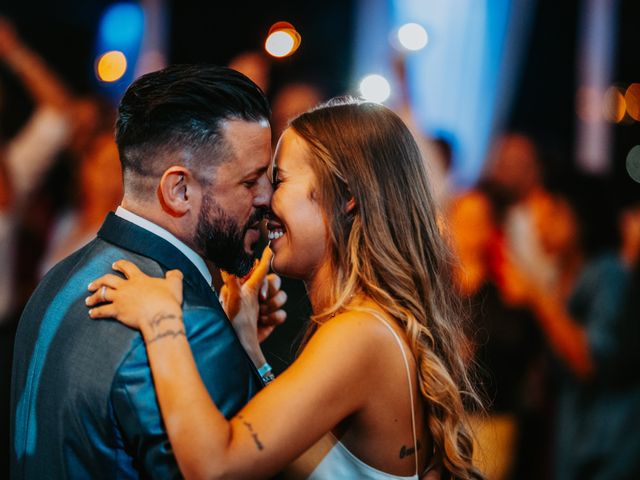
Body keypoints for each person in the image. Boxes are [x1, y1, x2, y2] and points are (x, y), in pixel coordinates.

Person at [87, 98, 484, 479]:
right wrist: (249, 347)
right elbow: (298, 450)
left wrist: (161, 323)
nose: (263, 200)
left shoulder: (360, 334)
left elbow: (216, 466)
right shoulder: (367, 326)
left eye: (278, 180)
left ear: (345, 196)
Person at [10, 64, 287, 478]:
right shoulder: (189, 324)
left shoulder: (62, 275)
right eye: (251, 182)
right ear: (179, 190)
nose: (268, 197)